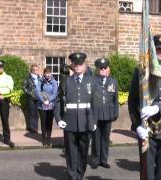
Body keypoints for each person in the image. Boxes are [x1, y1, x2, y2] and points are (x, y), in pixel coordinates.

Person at [128, 34, 161, 180]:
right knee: (146, 174)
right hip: (147, 129)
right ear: (152, 50)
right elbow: (132, 100)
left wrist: (160, 108)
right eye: (158, 50)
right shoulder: (141, 70)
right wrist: (136, 125)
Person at [54, 52, 97, 180]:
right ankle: (72, 176)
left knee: (83, 152)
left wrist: (94, 121)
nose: (77, 66)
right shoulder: (66, 81)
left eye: (80, 64)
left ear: (84, 65)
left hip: (86, 122)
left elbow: (95, 103)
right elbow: (58, 102)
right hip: (70, 122)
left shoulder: (91, 81)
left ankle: (80, 174)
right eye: (75, 63)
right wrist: (59, 119)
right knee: (71, 152)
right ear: (71, 65)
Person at [90, 58, 119, 169]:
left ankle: (104, 160)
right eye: (101, 68)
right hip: (96, 115)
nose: (103, 69)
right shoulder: (92, 81)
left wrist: (115, 113)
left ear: (108, 69)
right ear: (97, 69)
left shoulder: (113, 81)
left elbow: (115, 99)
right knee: (96, 139)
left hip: (108, 114)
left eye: (105, 67)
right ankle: (95, 160)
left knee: (105, 139)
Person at [35, 67, 58, 146]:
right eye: (46, 73)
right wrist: (43, 101)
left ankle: (49, 138)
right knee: (43, 122)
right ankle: (44, 139)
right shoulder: (40, 81)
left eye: (49, 73)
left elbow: (55, 93)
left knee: (49, 122)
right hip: (42, 105)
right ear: (44, 73)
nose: (48, 75)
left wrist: (49, 100)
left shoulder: (54, 82)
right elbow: (37, 92)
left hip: (51, 105)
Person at [23, 64, 41, 133]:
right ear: (31, 70)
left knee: (37, 113)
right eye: (34, 70)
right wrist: (30, 94)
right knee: (32, 113)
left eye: (37, 69)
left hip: (38, 98)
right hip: (31, 98)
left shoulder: (39, 78)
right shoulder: (28, 78)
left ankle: (35, 127)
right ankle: (32, 128)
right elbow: (24, 87)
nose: (36, 71)